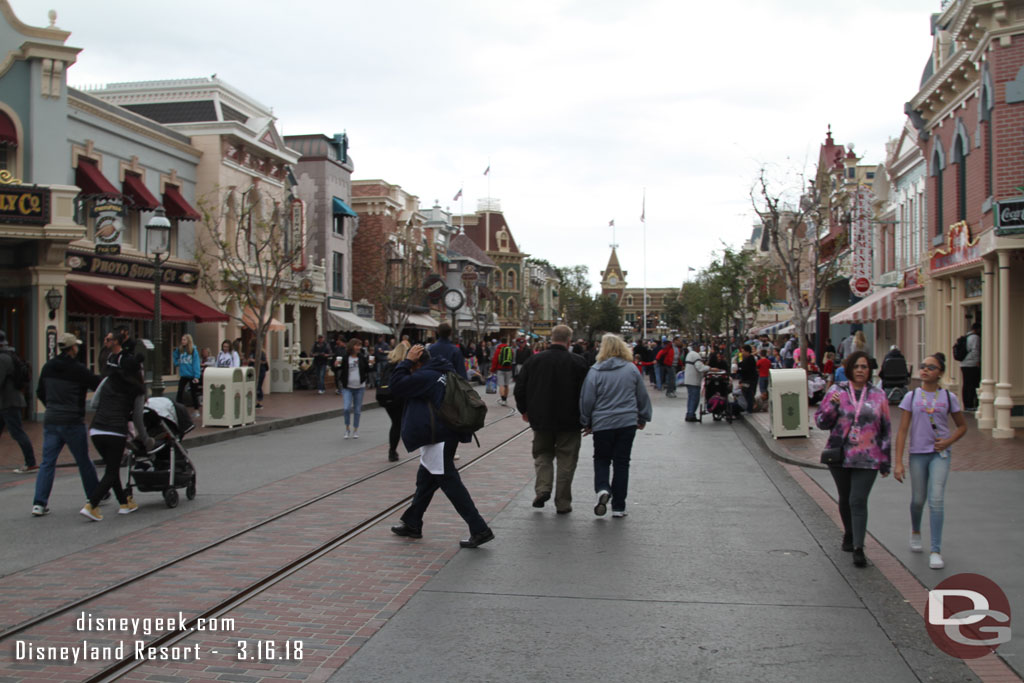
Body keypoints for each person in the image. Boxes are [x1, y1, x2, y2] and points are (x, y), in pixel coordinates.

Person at [389, 344, 494, 548]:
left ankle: (479, 528)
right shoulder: (443, 370)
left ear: (418, 361)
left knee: (449, 482)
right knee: (425, 480)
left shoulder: (426, 376)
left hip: (438, 436)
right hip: (445, 433)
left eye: (413, 363)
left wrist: (406, 361)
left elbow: (396, 385)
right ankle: (412, 522)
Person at [814, 351, 892, 568]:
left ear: (870, 370)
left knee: (858, 500)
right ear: (849, 369)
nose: (860, 370)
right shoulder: (837, 391)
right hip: (840, 455)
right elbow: (821, 422)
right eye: (856, 366)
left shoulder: (878, 395)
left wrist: (886, 460)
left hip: (868, 457)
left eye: (864, 367)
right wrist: (832, 406)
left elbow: (886, 428)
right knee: (845, 498)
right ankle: (849, 533)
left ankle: (859, 547)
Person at [892, 353, 967, 570]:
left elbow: (962, 426)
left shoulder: (948, 398)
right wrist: (898, 462)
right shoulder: (912, 396)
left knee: (936, 500)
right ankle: (915, 530)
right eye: (923, 366)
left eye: (931, 367)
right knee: (918, 500)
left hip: (939, 455)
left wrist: (948, 441)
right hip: (918, 454)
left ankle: (935, 550)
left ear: (940, 373)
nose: (925, 370)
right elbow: (903, 430)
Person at [513, 324, 588, 514]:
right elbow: (588, 394)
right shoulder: (578, 362)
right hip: (570, 420)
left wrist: (525, 410)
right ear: (569, 341)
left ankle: (543, 489)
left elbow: (519, 388)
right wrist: (588, 417)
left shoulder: (534, 361)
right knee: (566, 461)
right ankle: (563, 503)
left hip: (541, 418)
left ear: (551, 339)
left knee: (542, 454)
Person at [579, 334, 653, 518]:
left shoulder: (595, 371)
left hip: (602, 423)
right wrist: (643, 416)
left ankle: (603, 489)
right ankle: (619, 506)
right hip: (626, 422)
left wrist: (586, 421)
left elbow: (587, 399)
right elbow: (641, 395)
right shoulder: (631, 369)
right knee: (622, 462)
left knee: (602, 458)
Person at [31, 333, 102, 516]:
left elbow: (40, 391)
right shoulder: (78, 369)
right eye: (76, 346)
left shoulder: (48, 367)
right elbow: (97, 385)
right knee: (83, 460)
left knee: (47, 462)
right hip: (72, 420)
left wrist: (51, 406)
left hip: (52, 419)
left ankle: (39, 503)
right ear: (72, 349)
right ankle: (94, 495)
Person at [81, 348, 154, 521]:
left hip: (96, 430)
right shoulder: (137, 390)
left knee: (110, 468)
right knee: (112, 471)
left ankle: (123, 503)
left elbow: (94, 403)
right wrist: (145, 439)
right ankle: (92, 505)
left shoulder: (108, 380)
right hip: (115, 431)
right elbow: (137, 418)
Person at [0, 330, 36, 474]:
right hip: (7, 402)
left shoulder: (3, 358)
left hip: (9, 402)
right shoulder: (9, 355)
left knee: (17, 433)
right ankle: (30, 462)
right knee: (17, 432)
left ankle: (31, 463)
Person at [377, 341, 409, 462]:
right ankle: (392, 451)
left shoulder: (388, 365)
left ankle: (392, 450)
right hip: (398, 398)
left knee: (395, 423)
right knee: (398, 424)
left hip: (386, 397)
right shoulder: (403, 366)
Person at [338, 337, 372, 439]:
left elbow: (368, 369)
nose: (358, 347)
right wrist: (336, 365)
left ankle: (356, 430)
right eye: (356, 345)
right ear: (351, 346)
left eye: (359, 345)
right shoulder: (345, 357)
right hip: (347, 387)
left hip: (360, 387)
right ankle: (347, 429)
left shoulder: (361, 357)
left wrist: (371, 364)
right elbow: (337, 368)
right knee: (346, 408)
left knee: (357, 410)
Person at [172, 334, 202, 415]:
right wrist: (176, 363)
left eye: (184, 340)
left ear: (188, 341)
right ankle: (178, 408)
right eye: (182, 340)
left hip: (192, 375)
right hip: (183, 374)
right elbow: (174, 356)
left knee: (193, 393)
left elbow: (196, 364)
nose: (183, 341)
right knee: (180, 391)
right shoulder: (180, 350)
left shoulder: (193, 351)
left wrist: (196, 376)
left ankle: (196, 410)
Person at [683, 344, 709, 422]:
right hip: (694, 381)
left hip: (689, 380)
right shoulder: (696, 355)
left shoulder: (690, 354)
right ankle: (691, 414)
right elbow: (700, 368)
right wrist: (710, 368)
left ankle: (689, 414)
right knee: (694, 398)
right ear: (697, 348)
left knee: (691, 398)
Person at [960, 322, 981, 411]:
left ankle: (966, 404)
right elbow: (975, 350)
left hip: (963, 363)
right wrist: (977, 361)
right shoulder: (975, 338)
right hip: (971, 364)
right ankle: (971, 404)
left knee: (966, 384)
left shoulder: (966, 337)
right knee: (973, 384)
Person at [491, 338, 515, 407]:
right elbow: (512, 359)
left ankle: (502, 399)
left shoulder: (498, 349)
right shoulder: (510, 349)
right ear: (506, 341)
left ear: (501, 342)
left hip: (500, 369)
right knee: (506, 385)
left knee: (501, 385)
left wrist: (492, 370)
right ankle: (505, 399)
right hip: (508, 369)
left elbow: (495, 360)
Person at [736, 345, 758, 414]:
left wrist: (739, 370)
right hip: (746, 379)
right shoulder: (746, 359)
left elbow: (746, 369)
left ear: (747, 351)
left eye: (743, 351)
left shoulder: (750, 359)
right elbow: (741, 365)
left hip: (749, 380)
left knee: (749, 394)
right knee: (746, 393)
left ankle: (749, 409)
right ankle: (748, 408)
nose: (742, 353)